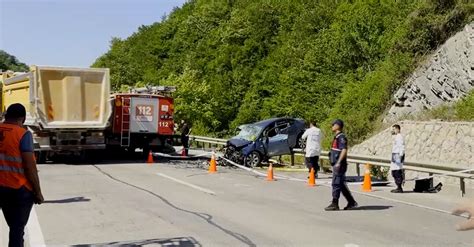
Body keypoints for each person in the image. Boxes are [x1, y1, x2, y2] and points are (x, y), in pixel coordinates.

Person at [0, 103, 44, 247]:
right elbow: (29, 166)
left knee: (13, 225)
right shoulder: (23, 134)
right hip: (17, 189)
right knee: (17, 229)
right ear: (23, 119)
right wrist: (37, 192)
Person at [325, 119, 357, 211]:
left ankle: (335, 203)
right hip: (337, 164)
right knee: (341, 185)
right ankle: (351, 202)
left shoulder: (341, 137)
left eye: (333, 124)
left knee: (336, 183)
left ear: (338, 126)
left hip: (339, 164)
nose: (332, 126)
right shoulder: (337, 137)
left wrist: (338, 162)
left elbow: (344, 150)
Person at [390, 124, 405, 193]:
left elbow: (401, 146)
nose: (394, 130)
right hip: (395, 154)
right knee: (394, 170)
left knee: (397, 171)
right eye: (393, 129)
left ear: (398, 129)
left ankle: (399, 187)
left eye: (394, 129)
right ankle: (398, 186)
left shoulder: (399, 137)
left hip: (398, 155)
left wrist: (401, 155)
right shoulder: (396, 137)